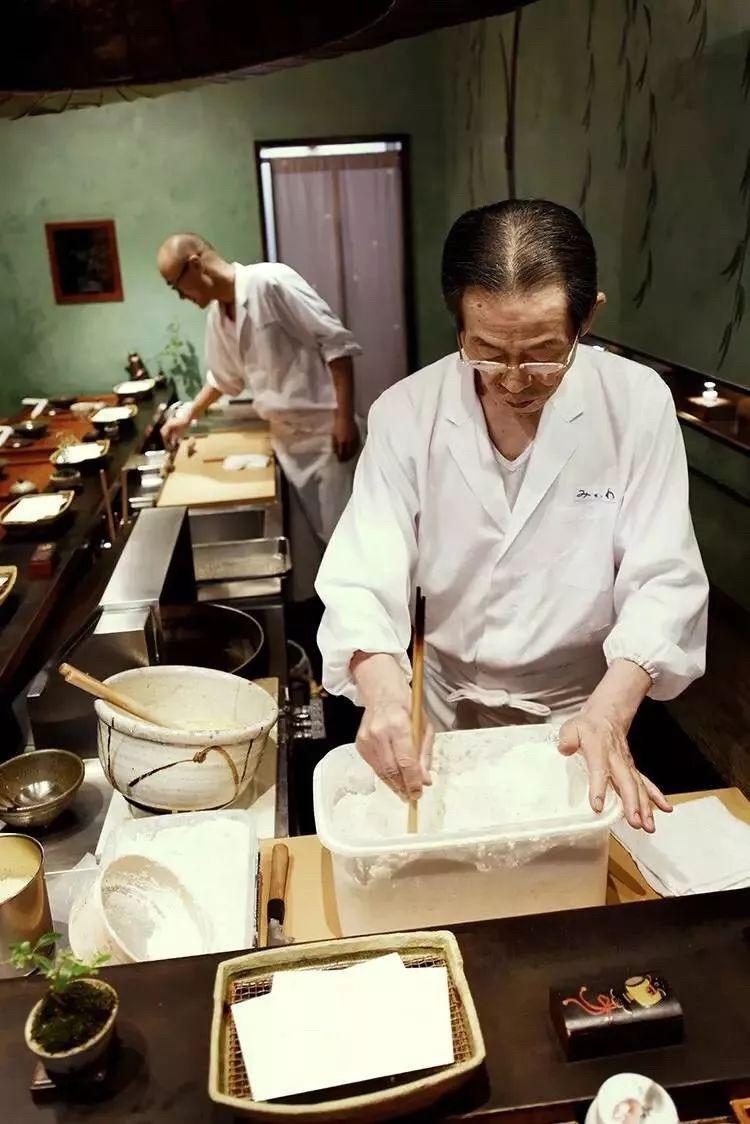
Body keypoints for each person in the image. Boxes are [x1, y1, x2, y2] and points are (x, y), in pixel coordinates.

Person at [316, 200, 708, 833]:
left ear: (589, 317)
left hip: (583, 711)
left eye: (545, 354)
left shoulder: (635, 403)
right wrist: (386, 693)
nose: (516, 380)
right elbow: (364, 572)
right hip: (442, 709)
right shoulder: (405, 415)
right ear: (458, 323)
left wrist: (609, 710)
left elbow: (665, 576)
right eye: (488, 351)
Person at [157, 233, 362, 597]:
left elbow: (336, 344)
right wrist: (188, 414)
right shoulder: (218, 319)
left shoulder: (269, 282)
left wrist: (344, 419)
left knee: (350, 549)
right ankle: (334, 636)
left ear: (195, 265)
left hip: (327, 434)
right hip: (285, 440)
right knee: (319, 552)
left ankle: (383, 641)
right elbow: (225, 380)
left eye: (177, 286)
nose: (180, 297)